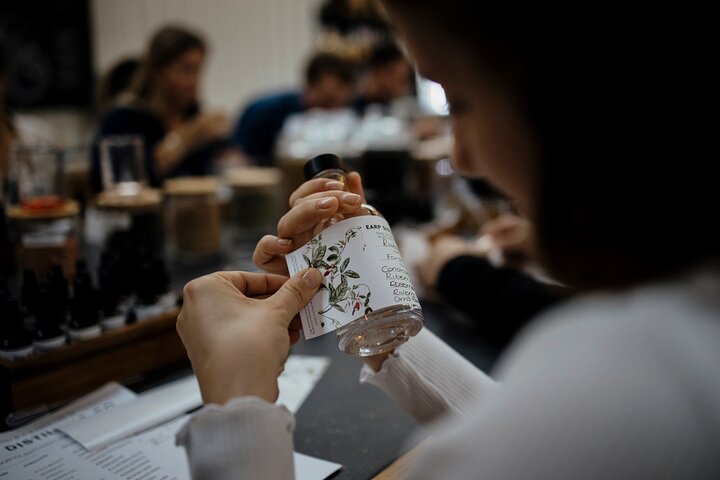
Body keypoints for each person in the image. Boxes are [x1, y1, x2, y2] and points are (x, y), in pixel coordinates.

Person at [175, 2, 718, 479]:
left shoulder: (628, 382)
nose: (461, 158)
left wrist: (238, 404)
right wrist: (372, 307)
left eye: (460, 101)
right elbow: (520, 433)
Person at [91, 25, 230, 192]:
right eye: (186, 70)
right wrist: (189, 137)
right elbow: (125, 182)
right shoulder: (124, 119)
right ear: (156, 71)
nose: (194, 81)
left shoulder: (193, 114)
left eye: (198, 71)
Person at [231, 52, 355, 166]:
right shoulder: (264, 112)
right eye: (328, 100)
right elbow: (235, 156)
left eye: (339, 104)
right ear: (309, 87)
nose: (332, 110)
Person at [351, 41, 412, 116]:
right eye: (400, 80)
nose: (404, 88)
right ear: (380, 73)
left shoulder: (396, 108)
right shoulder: (350, 112)